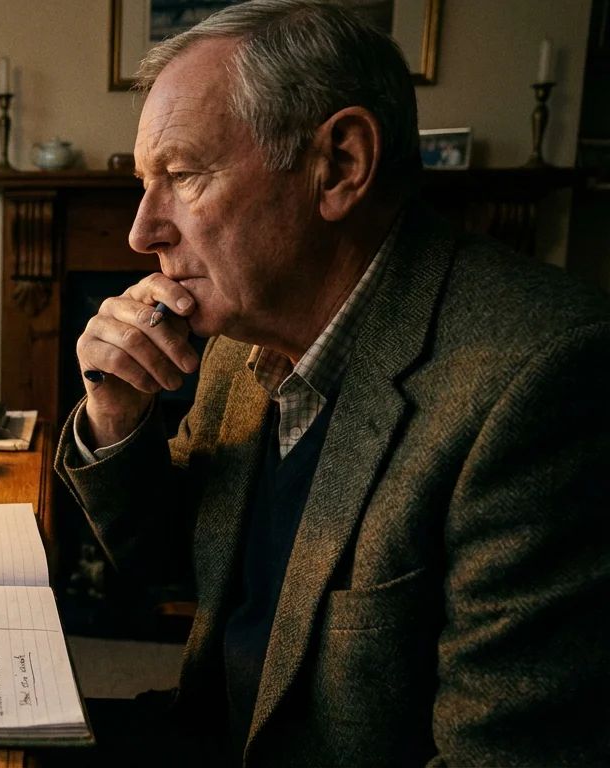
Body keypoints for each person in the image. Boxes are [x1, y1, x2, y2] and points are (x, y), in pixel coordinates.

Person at [56, 0, 610, 764]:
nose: (141, 232)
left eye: (181, 175)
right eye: (146, 183)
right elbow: (171, 570)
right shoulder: (243, 333)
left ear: (340, 165)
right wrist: (116, 415)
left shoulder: (545, 381)